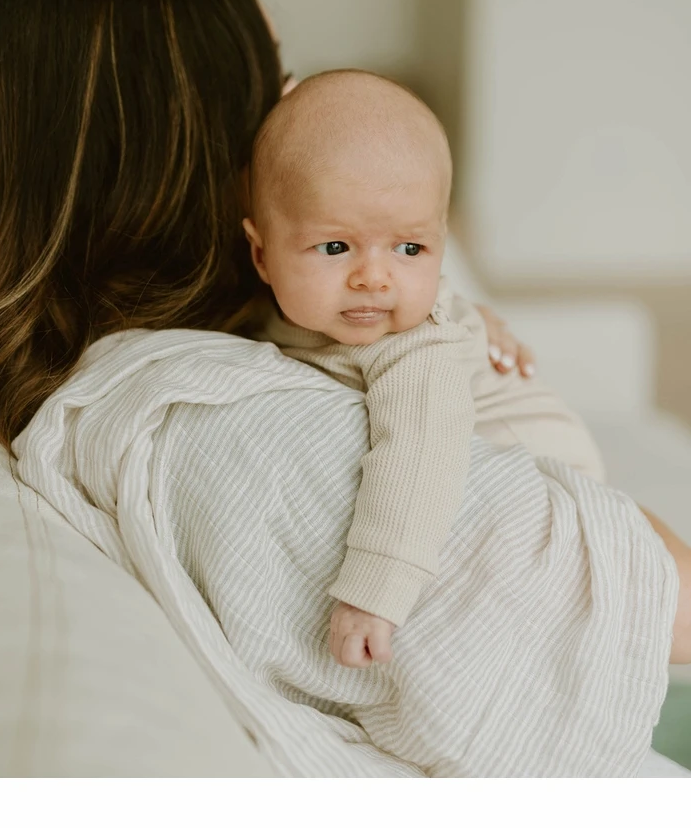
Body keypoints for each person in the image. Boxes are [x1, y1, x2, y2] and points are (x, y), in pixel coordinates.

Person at [0, 0, 691, 775]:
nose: (286, 106)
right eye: (267, 90)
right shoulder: (217, 415)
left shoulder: (244, 341)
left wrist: (454, 314)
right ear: (196, 158)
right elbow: (649, 593)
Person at [243, 67, 606, 668]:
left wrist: (373, 593)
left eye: (410, 249)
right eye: (336, 247)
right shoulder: (282, 313)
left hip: (542, 467)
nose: (375, 277)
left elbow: (420, 456)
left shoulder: (415, 346)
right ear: (261, 253)